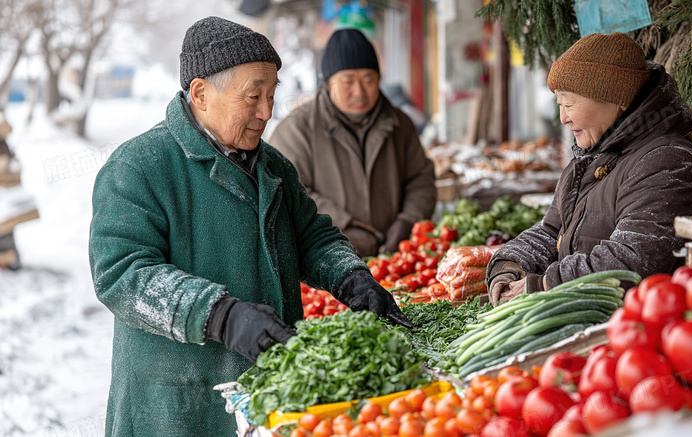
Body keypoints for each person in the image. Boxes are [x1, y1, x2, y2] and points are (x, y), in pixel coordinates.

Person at [89, 17, 411, 436]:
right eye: (253, 96)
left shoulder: (273, 165)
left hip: (269, 392)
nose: (267, 111)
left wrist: (352, 278)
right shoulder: (138, 167)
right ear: (201, 93)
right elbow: (122, 275)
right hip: (177, 405)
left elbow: (311, 235)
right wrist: (219, 315)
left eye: (272, 94)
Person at [486, 32, 692, 305]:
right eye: (559, 104)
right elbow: (550, 233)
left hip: (641, 331)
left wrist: (543, 284)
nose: (563, 118)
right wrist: (510, 266)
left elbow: (631, 261)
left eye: (570, 103)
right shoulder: (589, 159)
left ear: (618, 98)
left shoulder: (667, 163)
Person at [270, 28, 436, 257]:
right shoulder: (296, 130)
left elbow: (421, 178)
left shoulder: (399, 123)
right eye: (348, 81)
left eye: (368, 80)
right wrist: (350, 228)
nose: (359, 91)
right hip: (326, 264)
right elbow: (288, 193)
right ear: (327, 83)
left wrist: (408, 219)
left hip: (395, 259)